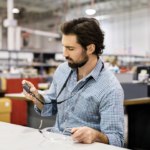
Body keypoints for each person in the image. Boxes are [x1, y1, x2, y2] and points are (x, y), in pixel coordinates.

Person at [22, 17, 124, 147]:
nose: (64, 54)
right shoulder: (63, 70)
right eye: (64, 47)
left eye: (70, 49)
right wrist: (37, 97)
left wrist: (95, 135)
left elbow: (117, 140)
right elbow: (50, 107)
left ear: (90, 48)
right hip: (55, 142)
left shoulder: (111, 88)